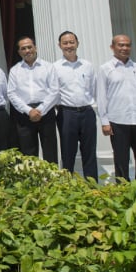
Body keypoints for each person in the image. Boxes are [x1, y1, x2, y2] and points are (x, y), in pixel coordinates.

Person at [97, 34, 136, 181]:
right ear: (112, 47)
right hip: (118, 121)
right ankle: (123, 189)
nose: (124, 48)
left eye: (127, 45)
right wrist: (105, 122)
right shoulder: (106, 69)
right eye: (121, 45)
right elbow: (101, 97)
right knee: (121, 159)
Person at [54, 31, 98, 181]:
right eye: (65, 43)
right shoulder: (54, 68)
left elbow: (94, 89)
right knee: (67, 153)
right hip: (66, 114)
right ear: (59, 45)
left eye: (71, 42)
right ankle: (67, 186)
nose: (69, 46)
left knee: (90, 153)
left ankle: (93, 187)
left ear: (77, 43)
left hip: (87, 112)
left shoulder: (87, 66)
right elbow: (53, 92)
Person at [7, 37, 59, 163]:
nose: (27, 50)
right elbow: (11, 93)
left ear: (35, 48)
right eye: (23, 48)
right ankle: (32, 181)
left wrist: (40, 110)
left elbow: (55, 91)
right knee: (28, 152)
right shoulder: (15, 70)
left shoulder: (48, 67)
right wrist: (29, 111)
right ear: (19, 52)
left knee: (50, 150)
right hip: (24, 114)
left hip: (46, 112)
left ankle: (53, 181)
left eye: (30, 47)